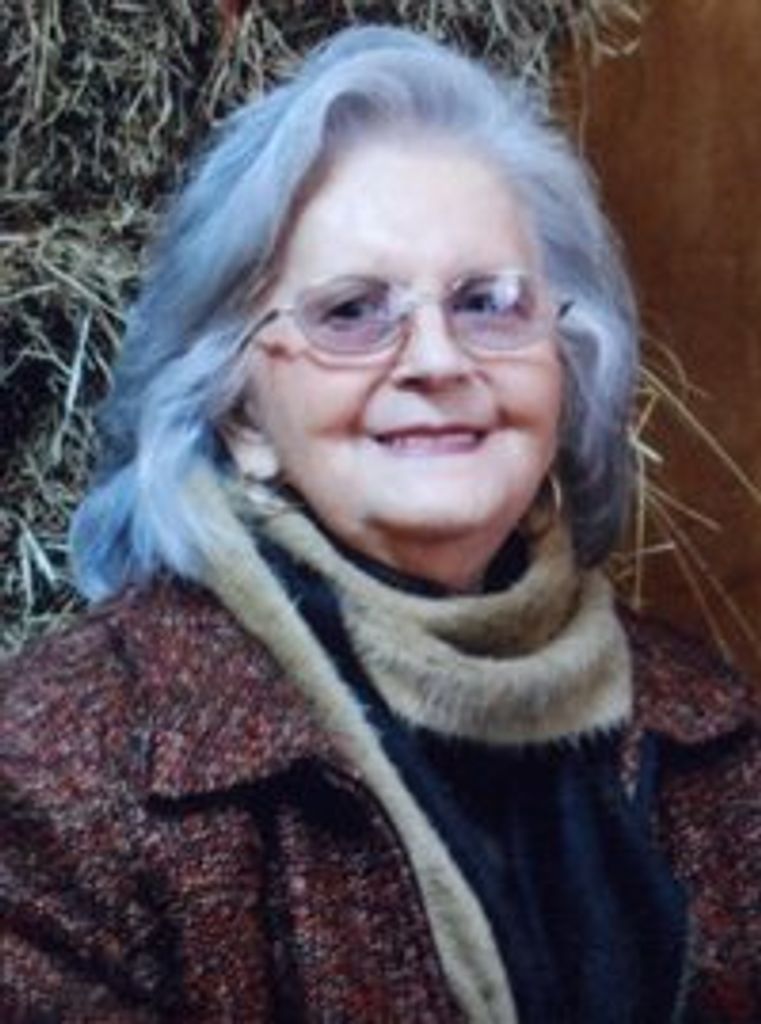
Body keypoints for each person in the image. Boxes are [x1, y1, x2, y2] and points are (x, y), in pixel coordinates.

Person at [1, 25, 758, 1024]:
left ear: (564, 365)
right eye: (352, 312)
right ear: (240, 414)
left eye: (488, 302)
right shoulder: (64, 769)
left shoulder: (709, 728)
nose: (437, 360)